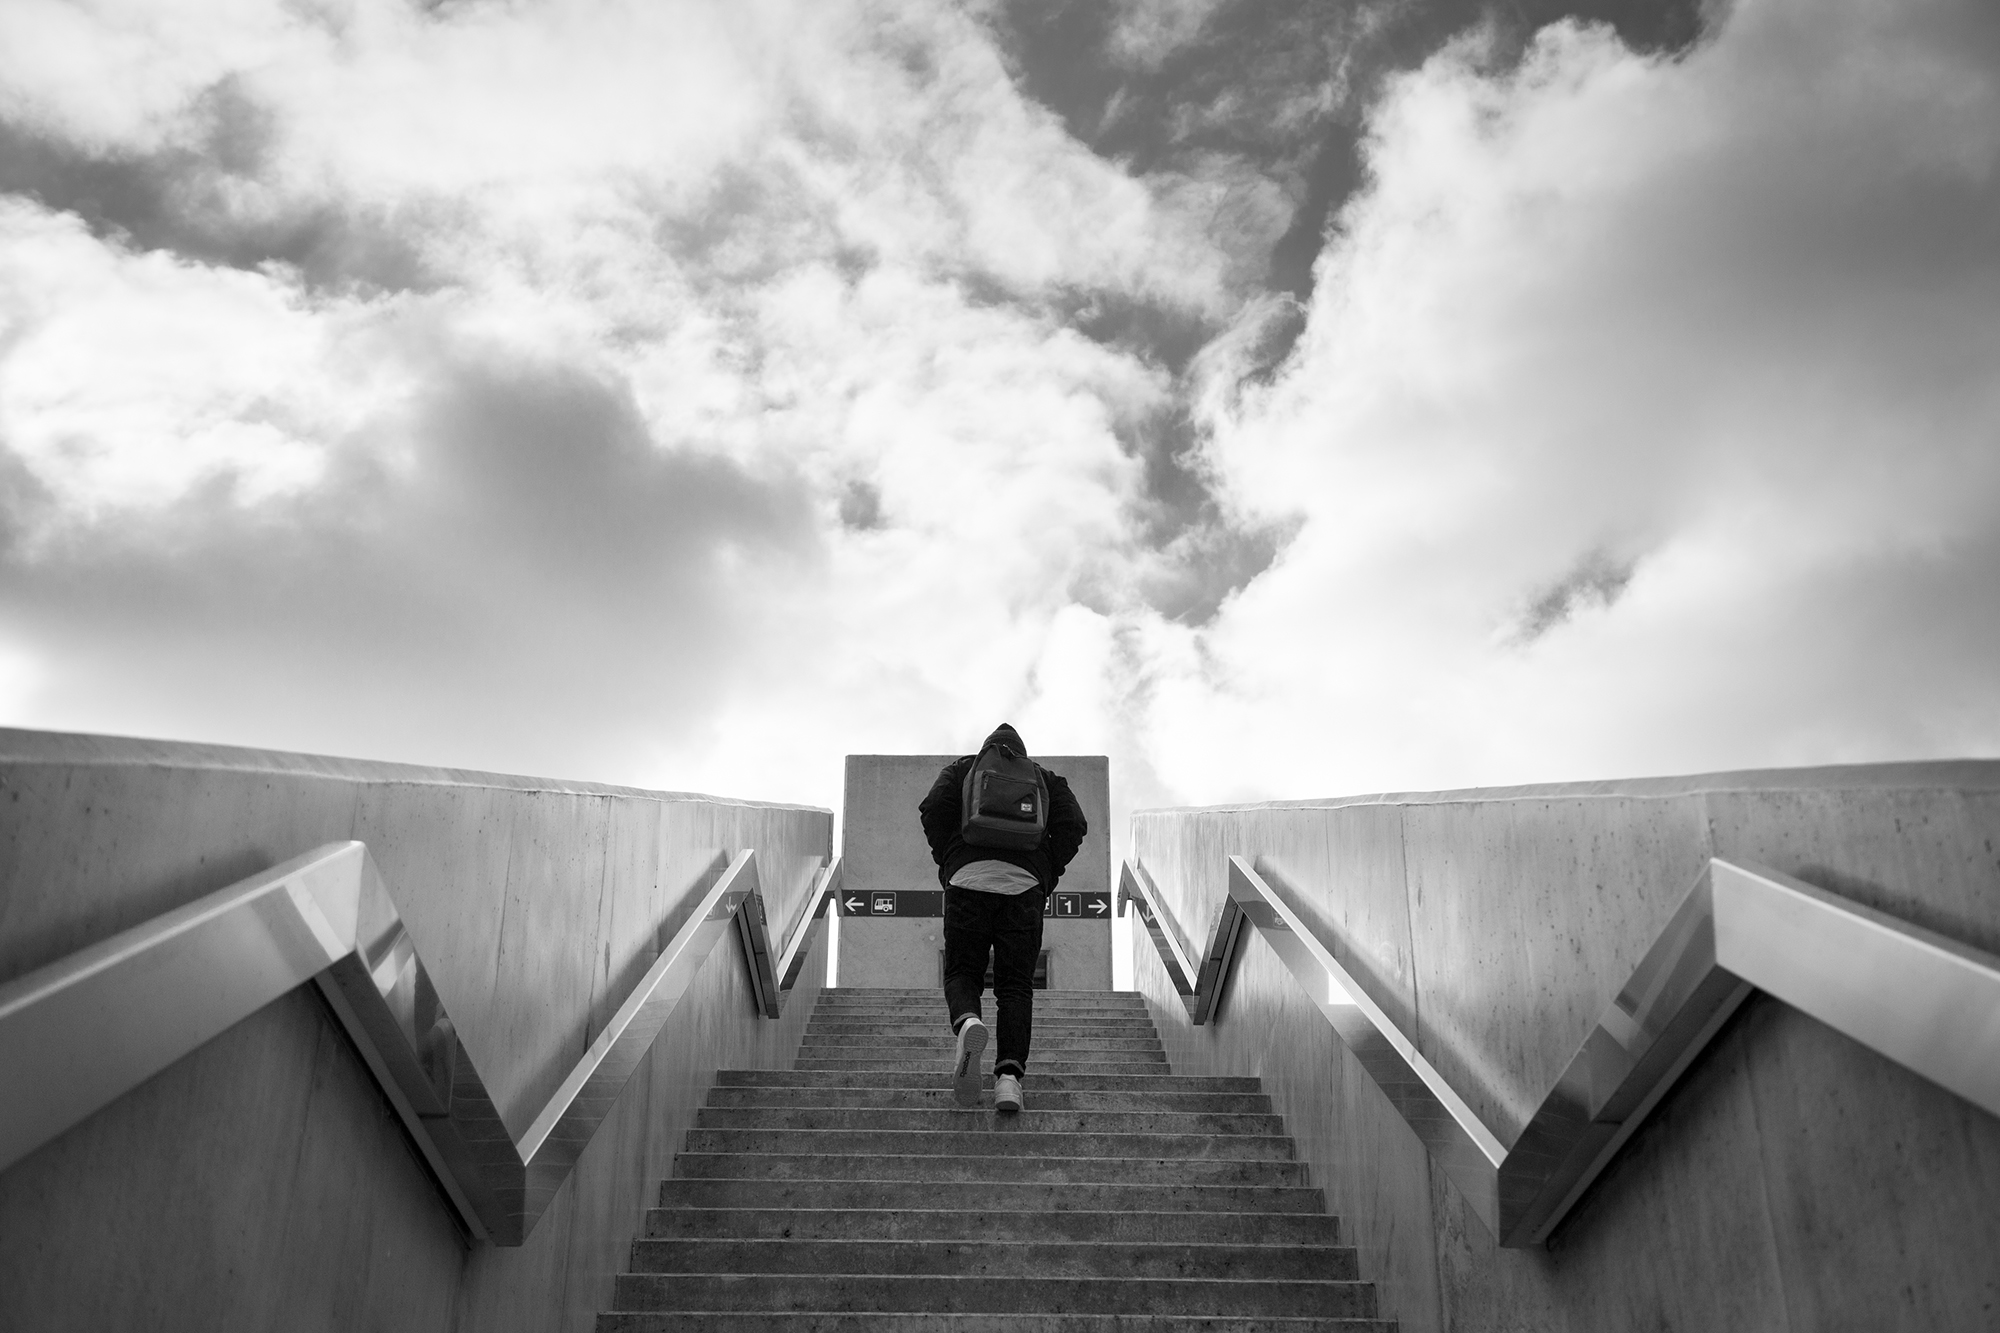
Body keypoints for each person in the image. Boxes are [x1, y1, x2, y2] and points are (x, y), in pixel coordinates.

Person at [918, 723, 1087, 1112]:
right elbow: (1074, 824)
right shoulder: (1045, 779)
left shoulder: (963, 768)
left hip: (967, 880)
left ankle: (967, 1022)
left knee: (963, 972)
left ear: (987, 749)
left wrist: (950, 858)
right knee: (1015, 987)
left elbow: (933, 808)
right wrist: (1045, 870)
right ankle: (1008, 1080)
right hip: (1024, 887)